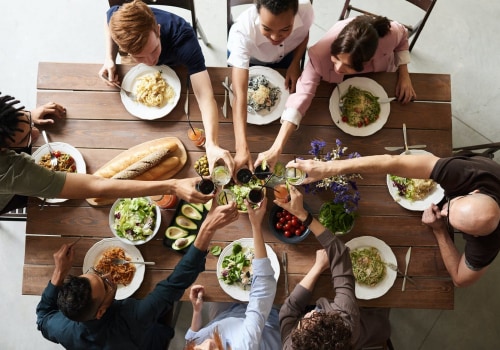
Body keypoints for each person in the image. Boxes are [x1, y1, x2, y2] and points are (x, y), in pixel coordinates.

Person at [36, 200, 239, 349]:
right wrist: (207, 228)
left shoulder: (62, 328)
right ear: (100, 312)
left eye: (96, 273)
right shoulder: (134, 317)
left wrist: (59, 272)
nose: (108, 275)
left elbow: (42, 317)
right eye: (106, 285)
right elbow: (176, 282)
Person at [286, 153, 500, 287]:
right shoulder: (467, 174)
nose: (443, 211)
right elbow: (392, 162)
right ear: (474, 191)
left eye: (450, 220)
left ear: (475, 236)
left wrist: (440, 231)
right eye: (450, 207)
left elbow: (460, 279)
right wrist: (328, 168)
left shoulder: (488, 244)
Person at [0, 93, 212, 215]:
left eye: (27, 121)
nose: (37, 132)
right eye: (26, 139)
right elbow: (95, 186)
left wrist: (27, 119)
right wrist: (173, 185)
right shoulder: (12, 172)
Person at [256, 15, 417, 170]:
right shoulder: (319, 55)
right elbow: (301, 96)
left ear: (367, 61)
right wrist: (276, 147)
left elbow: (403, 36)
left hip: (381, 79)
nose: (338, 68)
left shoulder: (390, 35)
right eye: (336, 58)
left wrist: (404, 74)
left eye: (347, 66)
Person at [99, 0, 233, 174]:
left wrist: (212, 143)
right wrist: (109, 58)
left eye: (154, 50)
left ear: (158, 30)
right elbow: (108, 17)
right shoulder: (118, 19)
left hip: (178, 66)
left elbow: (204, 94)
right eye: (139, 57)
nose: (150, 62)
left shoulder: (183, 38)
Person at [276, 185, 391, 349]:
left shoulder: (292, 346)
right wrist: (303, 215)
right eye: (315, 318)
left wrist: (317, 268)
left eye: (303, 323)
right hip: (369, 329)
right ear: (333, 322)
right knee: (380, 321)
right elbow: (340, 254)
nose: (310, 313)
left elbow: (288, 310)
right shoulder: (346, 322)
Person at [227, 0, 313, 172]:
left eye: (285, 29)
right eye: (267, 29)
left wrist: (296, 62)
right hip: (251, 60)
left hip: (287, 56)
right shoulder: (241, 32)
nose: (275, 37)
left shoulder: (305, 10)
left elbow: (304, 34)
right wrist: (241, 148)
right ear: (257, 12)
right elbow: (240, 96)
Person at [184, 198, 281, 350]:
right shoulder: (245, 345)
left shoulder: (197, 344)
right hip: (267, 322)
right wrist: (256, 225)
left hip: (226, 318)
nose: (208, 345)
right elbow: (263, 289)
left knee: (216, 286)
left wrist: (197, 311)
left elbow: (191, 338)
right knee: (275, 286)